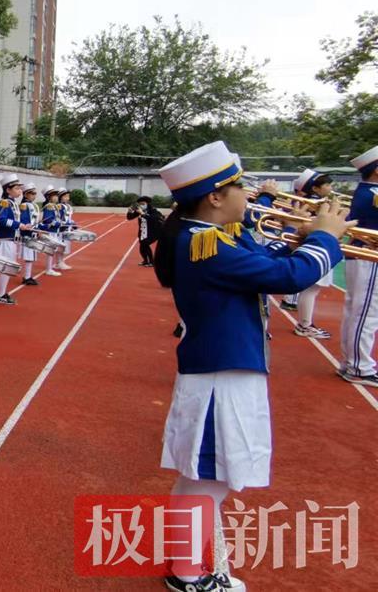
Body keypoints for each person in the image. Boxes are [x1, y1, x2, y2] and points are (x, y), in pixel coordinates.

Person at [153, 141, 351, 591]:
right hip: (223, 371)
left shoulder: (218, 236)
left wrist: (305, 241)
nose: (249, 193)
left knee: (204, 474)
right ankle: (187, 575)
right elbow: (286, 279)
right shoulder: (204, 244)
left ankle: (187, 567)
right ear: (215, 198)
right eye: (238, 185)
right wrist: (323, 239)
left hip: (225, 367)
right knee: (212, 476)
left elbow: (265, 263)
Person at [339, 146, 378, 388]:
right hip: (369, 256)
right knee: (366, 314)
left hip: (362, 256)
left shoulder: (367, 191)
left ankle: (352, 362)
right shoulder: (372, 194)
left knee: (356, 311)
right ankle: (359, 367)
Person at [288, 169, 336, 339]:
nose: (331, 188)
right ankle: (304, 325)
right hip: (315, 246)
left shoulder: (313, 201)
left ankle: (305, 324)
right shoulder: (315, 204)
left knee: (311, 289)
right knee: (311, 289)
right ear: (315, 189)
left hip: (312, 245)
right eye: (328, 185)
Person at [0, 174, 29, 305]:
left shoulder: (13, 203)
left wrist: (24, 226)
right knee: (5, 267)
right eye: (17, 188)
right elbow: (0, 220)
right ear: (8, 190)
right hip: (5, 240)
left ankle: (2, 293)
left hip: (11, 239)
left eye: (20, 188)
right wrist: (18, 225)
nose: (20, 191)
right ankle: (0, 294)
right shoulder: (5, 203)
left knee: (7, 267)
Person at [127, 196, 165, 267]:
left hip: (153, 232)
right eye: (140, 204)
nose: (141, 205)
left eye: (143, 203)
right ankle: (145, 260)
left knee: (145, 244)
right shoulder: (140, 210)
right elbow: (130, 218)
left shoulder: (154, 211)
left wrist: (143, 214)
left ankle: (151, 262)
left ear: (147, 203)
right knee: (142, 246)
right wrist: (129, 212)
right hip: (143, 232)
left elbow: (154, 219)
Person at [19, 183, 41, 285]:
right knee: (29, 257)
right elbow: (23, 220)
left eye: (35, 193)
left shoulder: (32, 205)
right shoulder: (24, 206)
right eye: (32, 193)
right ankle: (26, 277)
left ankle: (28, 276)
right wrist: (31, 227)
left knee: (31, 257)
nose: (34, 195)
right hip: (27, 234)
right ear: (26, 194)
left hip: (32, 233)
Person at [39, 187, 63, 277]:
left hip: (54, 231)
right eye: (54, 196)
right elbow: (48, 220)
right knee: (50, 250)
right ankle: (49, 269)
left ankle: (49, 268)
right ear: (49, 197)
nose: (57, 197)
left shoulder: (53, 206)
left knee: (52, 250)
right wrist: (57, 224)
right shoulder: (49, 207)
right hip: (50, 231)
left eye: (57, 195)